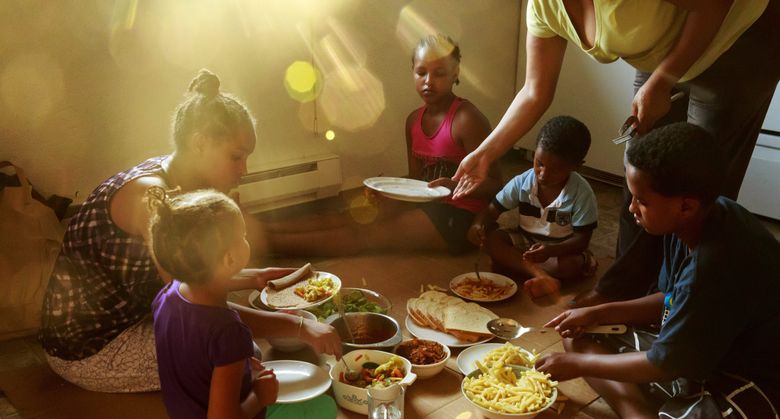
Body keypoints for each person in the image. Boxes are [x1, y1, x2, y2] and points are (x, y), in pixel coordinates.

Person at [450, 0, 779, 305]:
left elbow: (712, 4)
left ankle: (683, 305)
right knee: (640, 176)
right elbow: (535, 91)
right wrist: (484, 154)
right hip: (664, 50)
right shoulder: (543, 6)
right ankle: (622, 291)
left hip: (736, 41)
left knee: (694, 191)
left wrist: (664, 80)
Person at [40, 69, 341, 393]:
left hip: (136, 310)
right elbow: (192, 305)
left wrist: (254, 277)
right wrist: (297, 326)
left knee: (238, 344)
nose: (244, 170)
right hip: (90, 348)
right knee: (236, 353)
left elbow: (189, 274)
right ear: (199, 144)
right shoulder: (154, 201)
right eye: (236, 157)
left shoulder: (175, 175)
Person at [536, 123, 780, 419]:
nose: (631, 209)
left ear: (684, 204)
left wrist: (575, 367)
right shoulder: (689, 221)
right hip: (701, 345)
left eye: (640, 200)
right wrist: (598, 312)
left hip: (755, 378)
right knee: (581, 336)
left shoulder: (718, 263)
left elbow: (666, 362)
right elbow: (671, 299)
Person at [148, 188, 337, 419]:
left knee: (248, 350)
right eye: (244, 236)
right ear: (229, 257)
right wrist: (261, 396)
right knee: (325, 413)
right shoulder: (227, 332)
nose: (248, 240)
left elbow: (216, 294)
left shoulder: (170, 293)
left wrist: (256, 278)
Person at [262, 34, 501, 256]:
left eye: (439, 73)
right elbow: (416, 182)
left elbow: (496, 185)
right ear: (412, 72)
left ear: (455, 73)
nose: (428, 81)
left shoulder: (466, 119)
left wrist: (454, 186)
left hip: (460, 217)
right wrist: (388, 192)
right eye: (421, 72)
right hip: (427, 208)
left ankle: (266, 245)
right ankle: (264, 229)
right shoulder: (413, 120)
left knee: (366, 236)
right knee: (354, 217)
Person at [468, 115, 597, 299]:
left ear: (577, 167)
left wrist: (550, 251)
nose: (543, 174)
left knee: (570, 265)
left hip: (560, 251)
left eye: (556, 169)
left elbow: (581, 240)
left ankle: (527, 269)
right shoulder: (523, 182)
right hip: (526, 242)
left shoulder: (581, 193)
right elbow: (491, 210)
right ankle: (542, 276)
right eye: (539, 163)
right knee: (493, 239)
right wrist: (478, 224)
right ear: (534, 153)